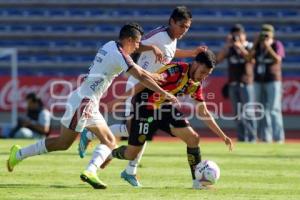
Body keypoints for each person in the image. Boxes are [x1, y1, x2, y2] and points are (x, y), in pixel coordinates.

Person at [6, 22, 179, 189]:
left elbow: (140, 71)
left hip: (85, 100)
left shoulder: (111, 45)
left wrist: (150, 72)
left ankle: (23, 155)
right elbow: (140, 75)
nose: (138, 47)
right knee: (67, 142)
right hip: (84, 103)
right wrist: (163, 92)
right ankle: (85, 165)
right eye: (137, 43)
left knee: (93, 141)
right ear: (128, 40)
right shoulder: (119, 56)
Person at [78, 6, 207, 187]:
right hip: (139, 85)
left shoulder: (172, 38)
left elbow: (169, 53)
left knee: (141, 131)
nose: (184, 31)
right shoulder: (159, 35)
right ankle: (92, 133)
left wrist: (191, 53)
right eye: (181, 26)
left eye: (187, 27)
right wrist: (152, 47)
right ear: (171, 21)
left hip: (151, 88)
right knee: (135, 131)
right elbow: (134, 47)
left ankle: (130, 170)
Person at [85, 50, 234, 189]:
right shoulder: (176, 71)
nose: (203, 77)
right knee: (131, 153)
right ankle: (111, 153)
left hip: (164, 108)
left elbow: (203, 112)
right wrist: (119, 100)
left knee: (193, 138)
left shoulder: (195, 84)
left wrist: (222, 135)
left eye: (207, 75)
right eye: (202, 72)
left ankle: (197, 182)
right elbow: (144, 82)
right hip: (145, 105)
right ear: (195, 63)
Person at [217, 24, 257, 142]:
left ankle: (252, 138)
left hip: (246, 83)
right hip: (233, 84)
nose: (237, 37)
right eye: (235, 35)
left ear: (244, 35)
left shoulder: (249, 46)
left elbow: (252, 60)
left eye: (239, 34)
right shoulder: (230, 48)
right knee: (237, 114)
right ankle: (242, 137)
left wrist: (240, 47)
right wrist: (227, 47)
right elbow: (217, 60)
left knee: (249, 112)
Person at [251, 24, 285, 143]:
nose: (265, 35)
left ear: (272, 34)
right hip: (259, 80)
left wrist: (268, 47)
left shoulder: (277, 44)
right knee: (261, 110)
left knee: (274, 109)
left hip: (273, 80)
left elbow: (278, 59)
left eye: (267, 33)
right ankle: (265, 137)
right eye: (263, 33)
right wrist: (255, 44)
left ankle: (279, 138)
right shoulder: (258, 46)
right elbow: (249, 58)